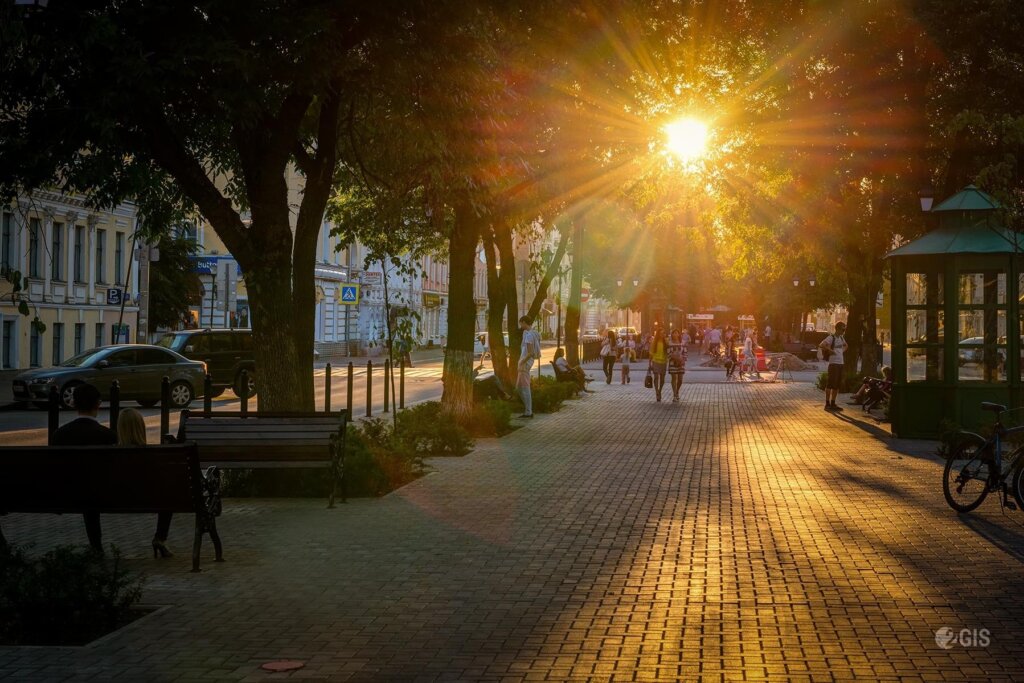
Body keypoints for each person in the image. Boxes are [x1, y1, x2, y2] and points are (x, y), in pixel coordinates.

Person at [50, 383, 117, 551]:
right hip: (101, 495)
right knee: (92, 488)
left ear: (74, 404)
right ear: (98, 404)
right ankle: (96, 546)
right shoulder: (107, 435)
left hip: (66, 494)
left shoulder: (60, 434)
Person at [116, 408, 174, 558]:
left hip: (116, 500)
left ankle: (96, 548)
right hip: (151, 500)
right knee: (168, 498)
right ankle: (160, 537)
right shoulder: (152, 455)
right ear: (141, 427)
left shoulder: (112, 454)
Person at [820, 321, 848, 411]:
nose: (844, 331)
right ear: (838, 329)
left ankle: (833, 403)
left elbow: (846, 346)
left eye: (845, 329)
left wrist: (841, 351)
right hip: (833, 364)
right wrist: (830, 350)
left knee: (837, 385)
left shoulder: (841, 338)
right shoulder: (831, 337)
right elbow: (821, 345)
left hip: (840, 363)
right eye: (843, 329)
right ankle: (827, 403)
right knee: (831, 384)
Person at [516, 316, 541, 418]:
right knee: (519, 387)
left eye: (521, 323)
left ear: (524, 322)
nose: (520, 325)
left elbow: (530, 353)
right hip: (525, 362)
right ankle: (528, 410)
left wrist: (522, 362)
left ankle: (528, 411)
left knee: (525, 388)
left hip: (525, 363)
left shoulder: (529, 335)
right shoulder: (531, 333)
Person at [648, 328, 668, 402]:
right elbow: (651, 354)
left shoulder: (666, 342)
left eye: (663, 333)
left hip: (663, 361)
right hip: (655, 361)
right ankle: (657, 392)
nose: (662, 334)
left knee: (662, 379)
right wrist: (649, 363)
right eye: (661, 333)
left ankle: (660, 390)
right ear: (658, 334)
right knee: (656, 377)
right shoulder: (654, 342)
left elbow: (669, 350)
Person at [667, 328, 687, 402]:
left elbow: (685, 352)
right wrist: (675, 358)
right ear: (672, 334)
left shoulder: (682, 342)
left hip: (681, 363)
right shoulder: (670, 343)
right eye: (674, 333)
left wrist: (683, 359)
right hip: (673, 363)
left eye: (677, 333)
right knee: (674, 378)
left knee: (680, 379)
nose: (675, 334)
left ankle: (677, 391)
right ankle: (675, 394)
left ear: (679, 334)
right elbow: (668, 353)